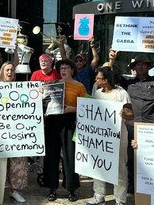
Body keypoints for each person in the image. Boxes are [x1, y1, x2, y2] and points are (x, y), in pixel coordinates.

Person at [106, 49, 154, 192]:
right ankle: (132, 184)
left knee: (152, 158)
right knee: (131, 157)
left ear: (149, 66)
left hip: (152, 126)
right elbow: (108, 74)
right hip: (132, 125)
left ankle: (152, 185)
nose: (141, 67)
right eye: (138, 64)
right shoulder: (127, 82)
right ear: (133, 67)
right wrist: (112, 59)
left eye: (144, 64)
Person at [88, 66, 133, 205]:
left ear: (106, 80)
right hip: (100, 137)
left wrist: (124, 114)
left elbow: (131, 114)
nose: (96, 80)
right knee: (98, 166)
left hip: (118, 136)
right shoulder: (98, 93)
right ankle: (99, 196)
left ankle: (120, 200)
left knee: (119, 168)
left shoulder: (121, 93)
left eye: (98, 78)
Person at [43, 59, 87, 202]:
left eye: (67, 67)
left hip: (69, 122)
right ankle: (52, 188)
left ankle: (71, 188)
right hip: (53, 122)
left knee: (70, 156)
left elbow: (86, 106)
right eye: (61, 68)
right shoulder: (52, 85)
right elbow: (45, 102)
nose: (63, 70)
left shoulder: (79, 86)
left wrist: (71, 109)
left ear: (72, 70)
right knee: (51, 156)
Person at [0, 61, 28, 203]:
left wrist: (36, 93)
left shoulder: (20, 88)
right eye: (7, 70)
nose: (10, 72)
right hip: (0, 132)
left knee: (17, 161)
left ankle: (14, 191)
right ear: (2, 72)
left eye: (12, 70)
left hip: (17, 131)